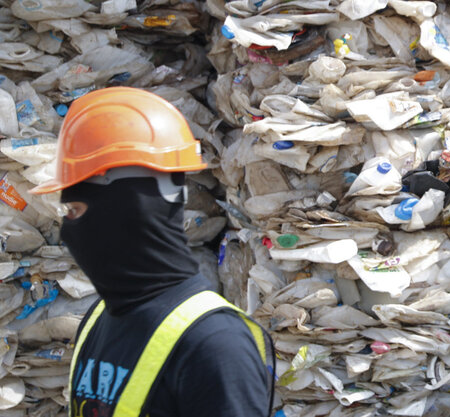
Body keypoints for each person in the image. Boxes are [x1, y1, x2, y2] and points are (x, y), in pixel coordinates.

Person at [30, 87, 275, 417]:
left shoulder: (215, 344)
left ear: (127, 209)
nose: (70, 230)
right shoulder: (98, 319)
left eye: (76, 210)